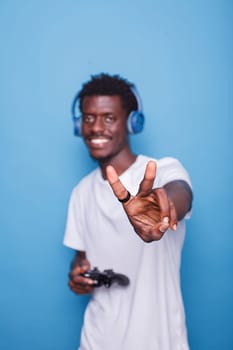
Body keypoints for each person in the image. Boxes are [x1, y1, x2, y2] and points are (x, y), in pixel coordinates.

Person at [63, 73, 193, 350]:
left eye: (109, 117)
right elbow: (81, 261)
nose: (96, 127)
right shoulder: (80, 193)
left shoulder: (163, 171)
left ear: (132, 123)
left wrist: (162, 209)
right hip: (95, 340)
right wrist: (78, 276)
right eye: (88, 118)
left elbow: (181, 195)